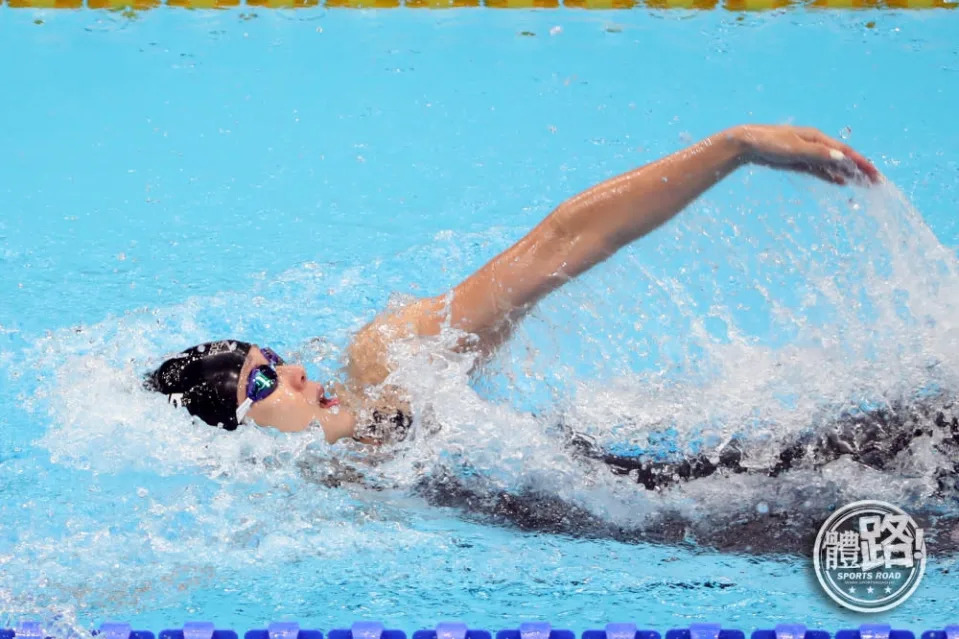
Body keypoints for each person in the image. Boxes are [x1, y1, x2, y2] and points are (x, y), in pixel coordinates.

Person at [146, 124, 880, 447]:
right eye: (265, 381)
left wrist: (735, 148)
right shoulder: (292, 512)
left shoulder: (391, 366)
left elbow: (554, 247)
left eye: (277, 358)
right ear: (233, 441)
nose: (299, 372)